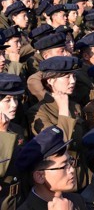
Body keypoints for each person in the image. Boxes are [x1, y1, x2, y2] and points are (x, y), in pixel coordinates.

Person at [29, 56, 89, 189]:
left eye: (73, 76)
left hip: (83, 175)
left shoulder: (75, 106)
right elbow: (59, 146)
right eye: (67, 77)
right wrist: (63, 109)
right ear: (50, 80)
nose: (72, 81)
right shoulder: (38, 112)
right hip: (59, 180)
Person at [16, 126, 87, 210]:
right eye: (64, 166)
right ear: (39, 176)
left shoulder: (76, 200)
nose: (71, 170)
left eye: (70, 161)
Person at [0, 73, 27, 209]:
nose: (14, 105)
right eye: (7, 100)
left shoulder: (16, 128)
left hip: (19, 200)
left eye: (15, 99)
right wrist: (3, 134)